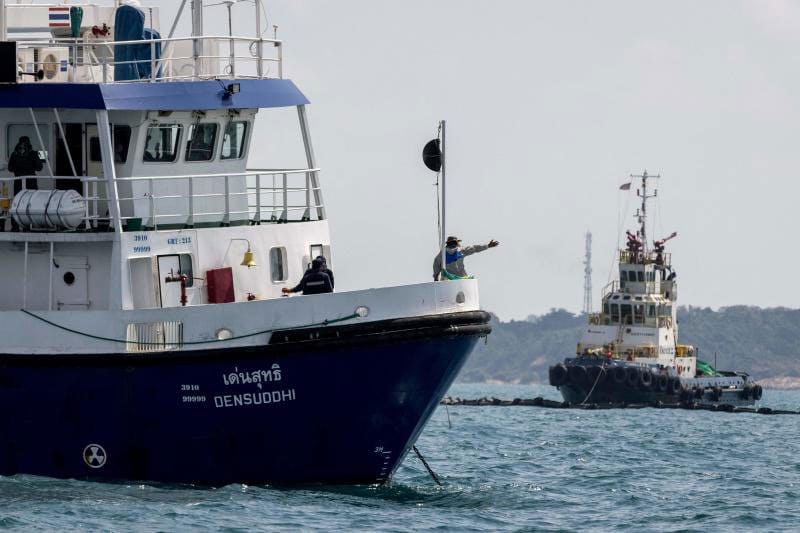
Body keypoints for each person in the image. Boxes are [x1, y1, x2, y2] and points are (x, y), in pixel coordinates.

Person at [432, 235, 499, 281]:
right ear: (457, 243)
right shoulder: (461, 251)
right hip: (461, 279)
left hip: (449, 280)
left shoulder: (442, 254)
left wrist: (436, 277)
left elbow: (436, 265)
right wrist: (488, 246)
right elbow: (475, 248)